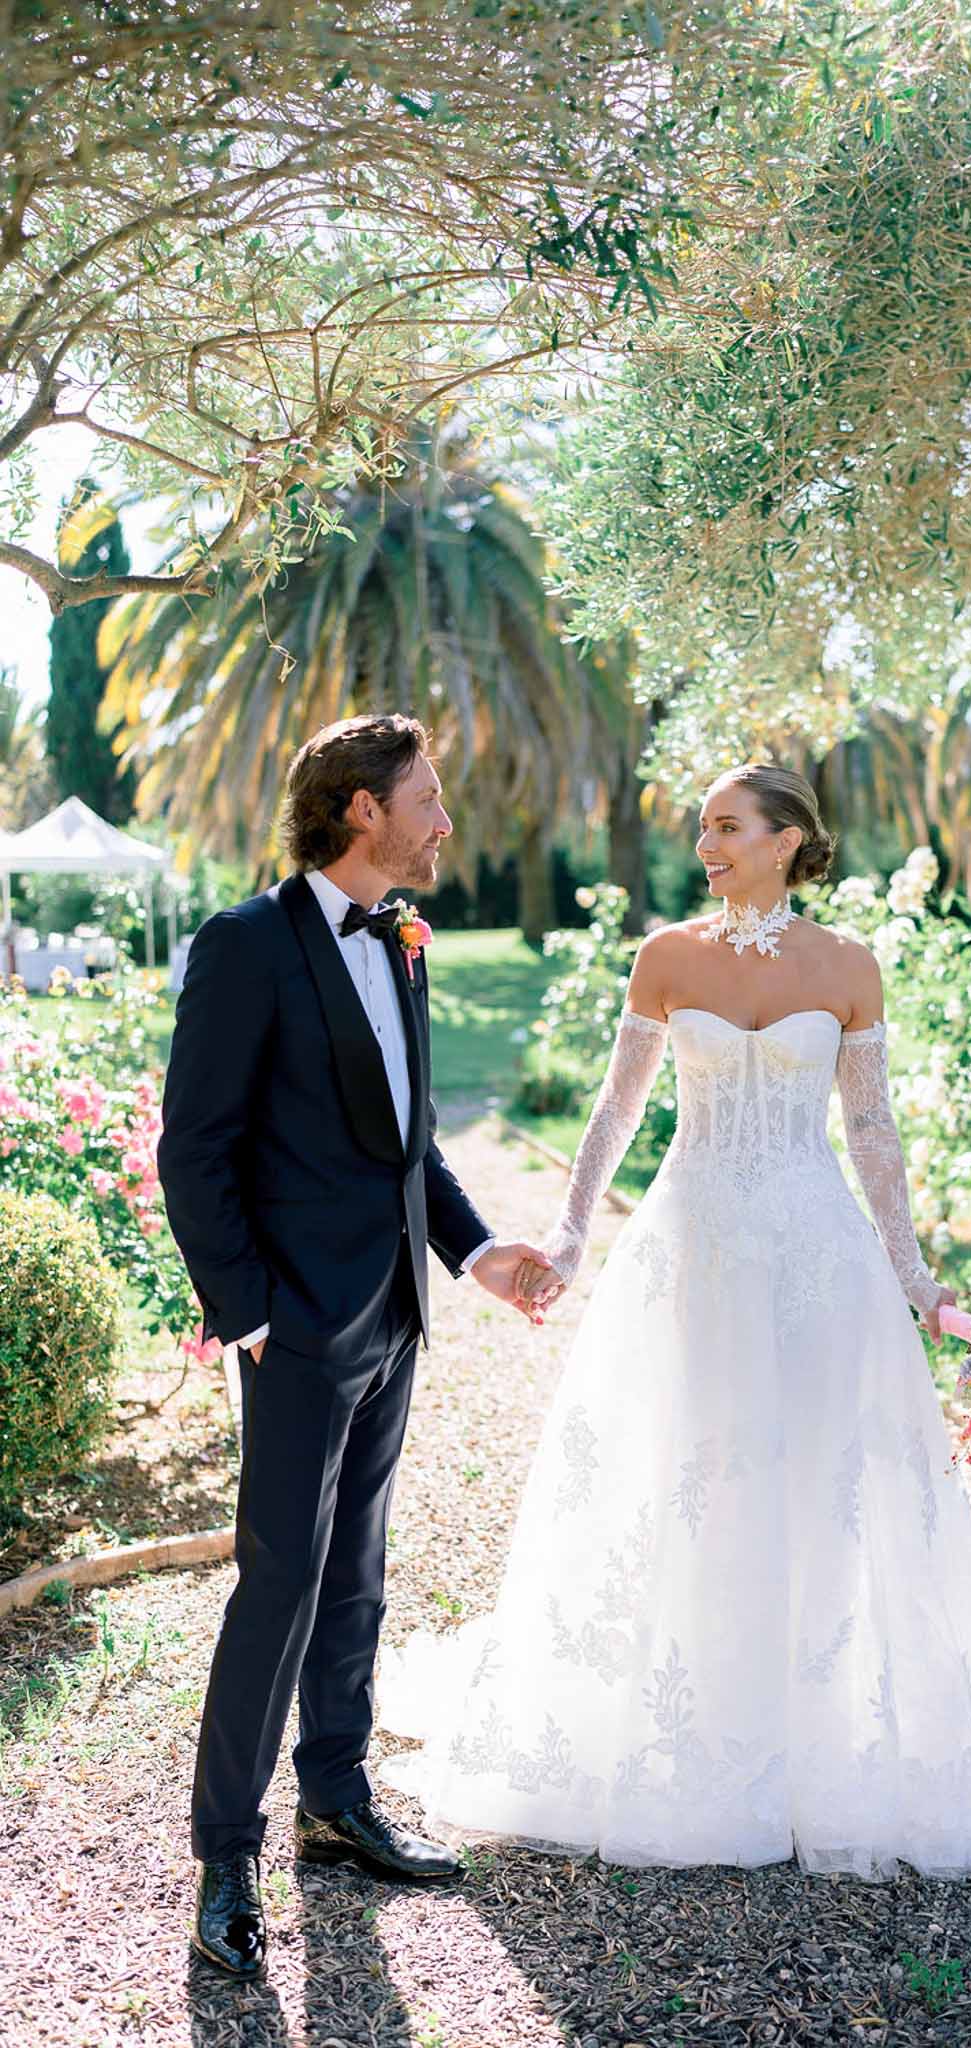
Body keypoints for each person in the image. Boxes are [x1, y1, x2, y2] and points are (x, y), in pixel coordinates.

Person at [377, 763, 971, 1880]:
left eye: (729, 826)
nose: (709, 843)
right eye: (702, 828)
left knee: (814, 1477)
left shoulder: (847, 966)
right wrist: (568, 1235)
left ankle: (810, 1732)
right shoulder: (667, 955)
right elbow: (617, 1105)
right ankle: (690, 1714)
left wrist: (919, 1279)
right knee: (692, 1467)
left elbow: (873, 1135)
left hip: (814, 1252)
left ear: (790, 840)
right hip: (690, 1246)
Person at [158, 713, 555, 1977]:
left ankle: (335, 1801)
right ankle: (227, 1853)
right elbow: (195, 1149)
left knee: (361, 1571)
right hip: (295, 1329)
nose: (446, 819)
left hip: (394, 1315)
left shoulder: (404, 939)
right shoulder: (244, 945)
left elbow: (408, 1145)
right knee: (276, 1582)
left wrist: (477, 1249)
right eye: (427, 795)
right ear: (361, 811)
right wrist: (256, 1316)